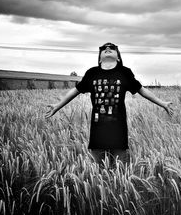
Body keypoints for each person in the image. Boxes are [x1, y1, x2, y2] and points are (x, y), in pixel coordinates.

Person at [45, 42, 173, 167]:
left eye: (112, 48)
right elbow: (76, 90)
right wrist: (57, 105)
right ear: (99, 59)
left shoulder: (125, 72)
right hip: (97, 131)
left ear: (118, 56)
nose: (107, 48)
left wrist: (162, 103)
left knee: (120, 169)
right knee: (98, 170)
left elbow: (141, 90)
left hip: (118, 130)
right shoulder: (92, 73)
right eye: (103, 48)